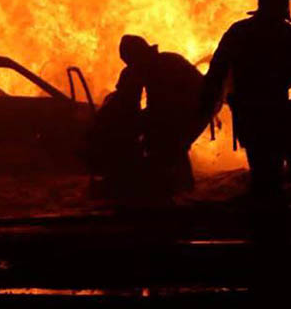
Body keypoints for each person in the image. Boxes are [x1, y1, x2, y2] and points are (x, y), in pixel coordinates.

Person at [200, 0, 291, 236]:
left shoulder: (239, 32)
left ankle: (267, 236)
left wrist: (208, 103)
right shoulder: (289, 35)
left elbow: (216, 73)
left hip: (252, 115)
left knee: (265, 174)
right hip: (279, 113)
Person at [86, 35, 207, 198]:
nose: (131, 65)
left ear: (138, 55)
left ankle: (180, 187)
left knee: (169, 141)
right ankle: (177, 184)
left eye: (131, 60)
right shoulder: (148, 67)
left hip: (196, 108)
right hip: (183, 109)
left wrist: (139, 127)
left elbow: (161, 111)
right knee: (163, 140)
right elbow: (130, 101)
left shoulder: (163, 68)